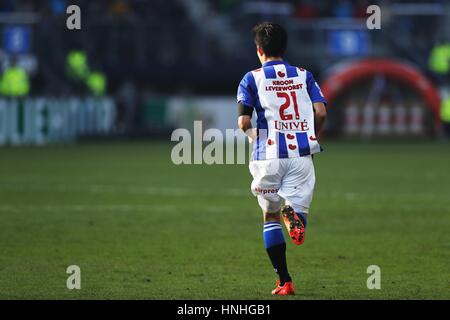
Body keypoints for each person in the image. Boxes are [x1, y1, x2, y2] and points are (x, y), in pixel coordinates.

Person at [236, 22, 327, 295]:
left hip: (268, 157)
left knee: (269, 217)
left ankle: (284, 281)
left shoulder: (251, 78)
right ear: (284, 48)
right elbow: (320, 112)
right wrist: (311, 134)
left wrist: (256, 138)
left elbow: (243, 122)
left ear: (259, 50)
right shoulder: (304, 75)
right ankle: (294, 215)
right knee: (297, 214)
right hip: (300, 154)